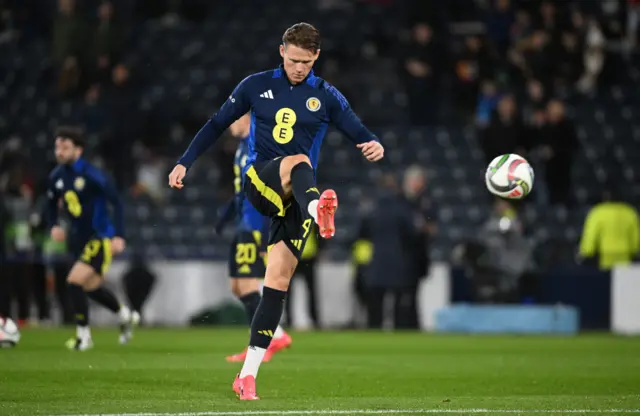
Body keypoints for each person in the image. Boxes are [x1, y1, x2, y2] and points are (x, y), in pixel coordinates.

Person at [168, 22, 384, 400]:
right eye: (294, 59)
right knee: (298, 159)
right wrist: (185, 162)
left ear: (317, 57)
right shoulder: (253, 85)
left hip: (295, 198)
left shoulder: (327, 95)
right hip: (262, 182)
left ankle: (247, 375)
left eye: (306, 61)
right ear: (282, 50)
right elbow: (216, 123)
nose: (299, 67)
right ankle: (319, 208)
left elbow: (354, 127)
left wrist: (371, 143)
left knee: (276, 285)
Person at [46, 126, 133, 351]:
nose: (60, 152)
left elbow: (118, 202)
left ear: (79, 150)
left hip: (99, 236)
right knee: (91, 287)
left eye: (65, 147)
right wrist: (53, 224)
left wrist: (119, 235)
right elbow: (49, 205)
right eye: (58, 147)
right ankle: (124, 314)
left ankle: (83, 337)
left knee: (74, 281)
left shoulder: (93, 175)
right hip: (77, 239)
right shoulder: (57, 176)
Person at [215, 114, 292, 363]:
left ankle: (265, 341)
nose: (230, 124)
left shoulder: (259, 146)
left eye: (234, 119)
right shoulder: (241, 147)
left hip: (254, 224)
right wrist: (225, 217)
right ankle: (273, 335)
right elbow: (241, 190)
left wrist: (263, 230)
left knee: (247, 283)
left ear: (247, 118)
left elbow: (267, 190)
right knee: (238, 286)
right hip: (242, 223)